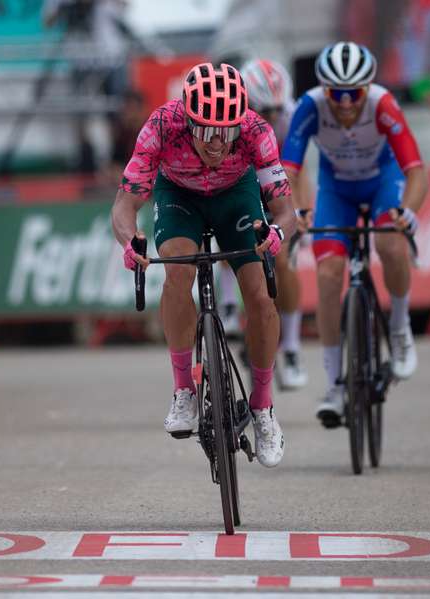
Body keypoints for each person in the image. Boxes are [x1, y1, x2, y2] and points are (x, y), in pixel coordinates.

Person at [112, 62, 296, 467]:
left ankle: (263, 407)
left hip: (237, 196)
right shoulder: (162, 125)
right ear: (188, 120)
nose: (216, 141)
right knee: (177, 274)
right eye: (206, 130)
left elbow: (285, 209)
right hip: (180, 196)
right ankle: (183, 391)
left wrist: (277, 234)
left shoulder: (256, 130)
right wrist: (130, 241)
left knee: (260, 297)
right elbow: (125, 205)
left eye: (226, 131)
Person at [281, 41, 428, 427]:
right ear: (324, 90)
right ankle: (334, 385)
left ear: (367, 89)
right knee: (329, 276)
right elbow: (288, 171)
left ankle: (399, 328)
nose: (345, 102)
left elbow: (415, 170)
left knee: (390, 243)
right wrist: (297, 211)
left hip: (384, 182)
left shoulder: (382, 104)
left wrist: (407, 212)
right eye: (337, 93)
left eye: (354, 93)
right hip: (336, 189)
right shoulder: (309, 107)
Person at [230, 57, 312, 390]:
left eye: (277, 111)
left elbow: (298, 172)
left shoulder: (290, 118)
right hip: (242, 182)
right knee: (229, 233)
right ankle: (228, 306)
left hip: (279, 182)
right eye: (265, 111)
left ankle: (291, 346)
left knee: (283, 258)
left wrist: (302, 213)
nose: (272, 118)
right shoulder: (232, 116)